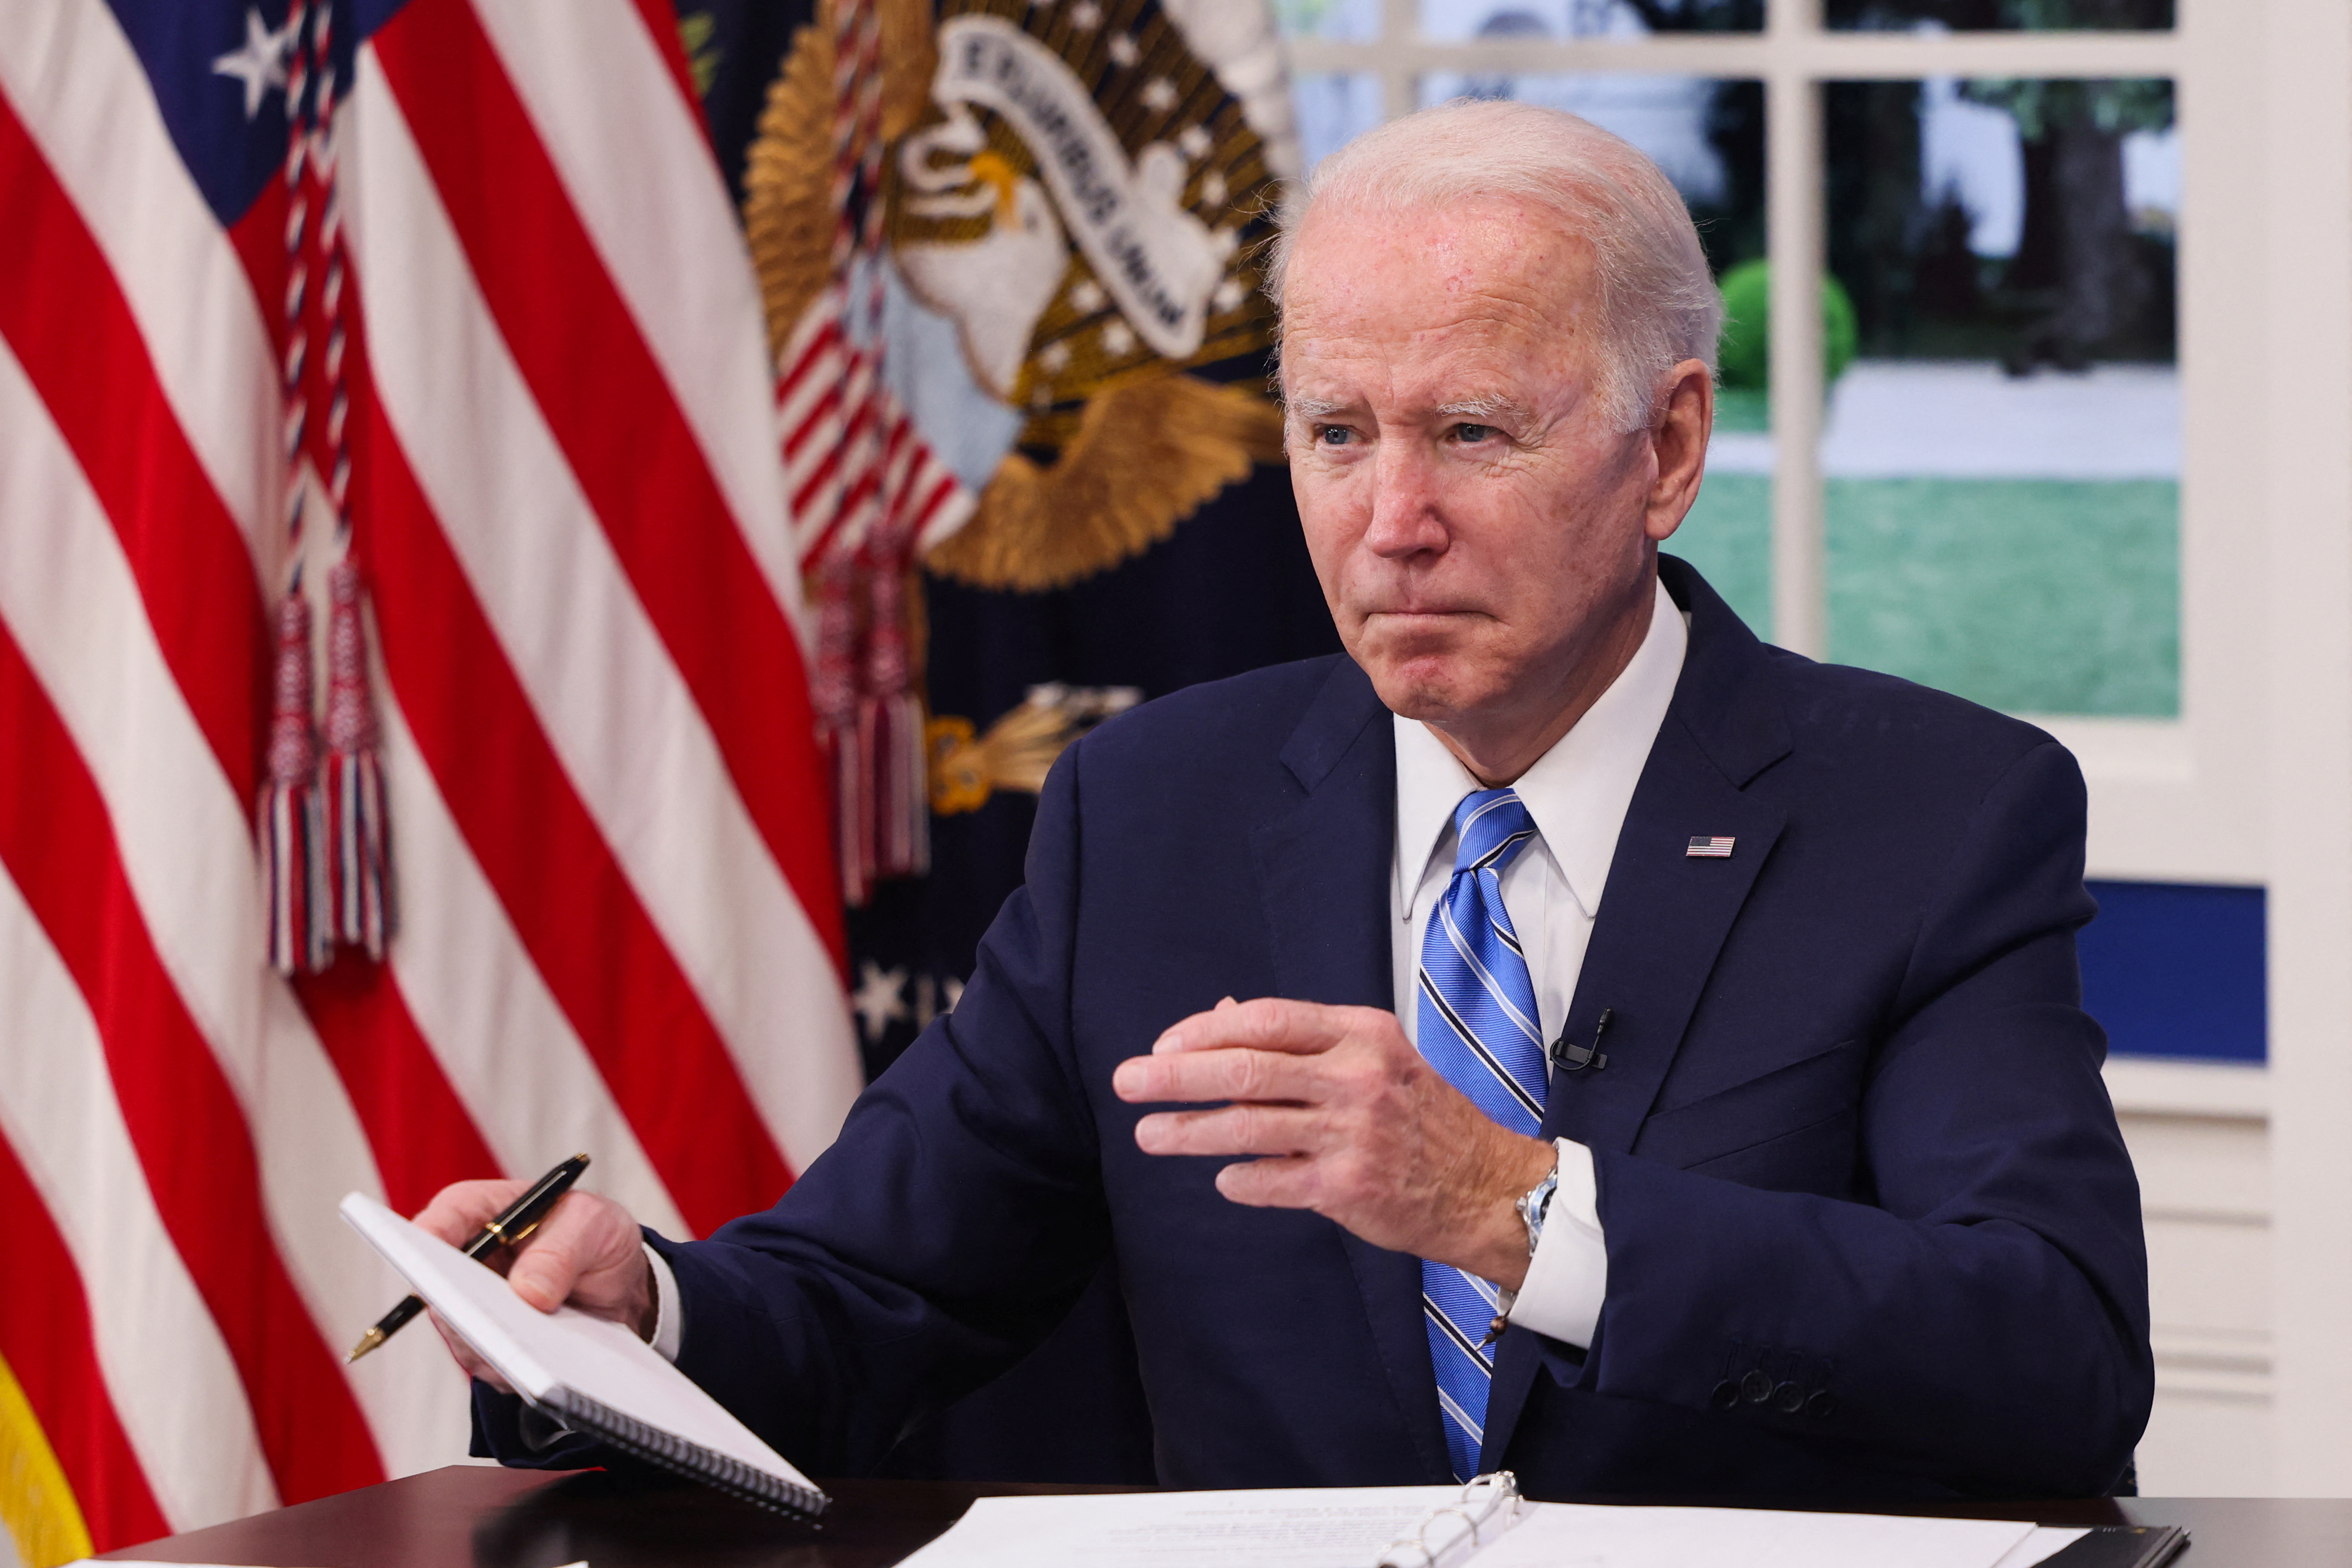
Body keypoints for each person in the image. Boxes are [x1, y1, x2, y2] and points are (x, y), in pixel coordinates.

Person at [418, 100, 2152, 1499]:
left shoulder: (1935, 813)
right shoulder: (1150, 810)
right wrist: (631, 1299)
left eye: (1469, 431)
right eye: (1334, 432)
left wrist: (1521, 1208)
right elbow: (878, 1292)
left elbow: (2053, 1359)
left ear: (1668, 447)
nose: (1388, 517)